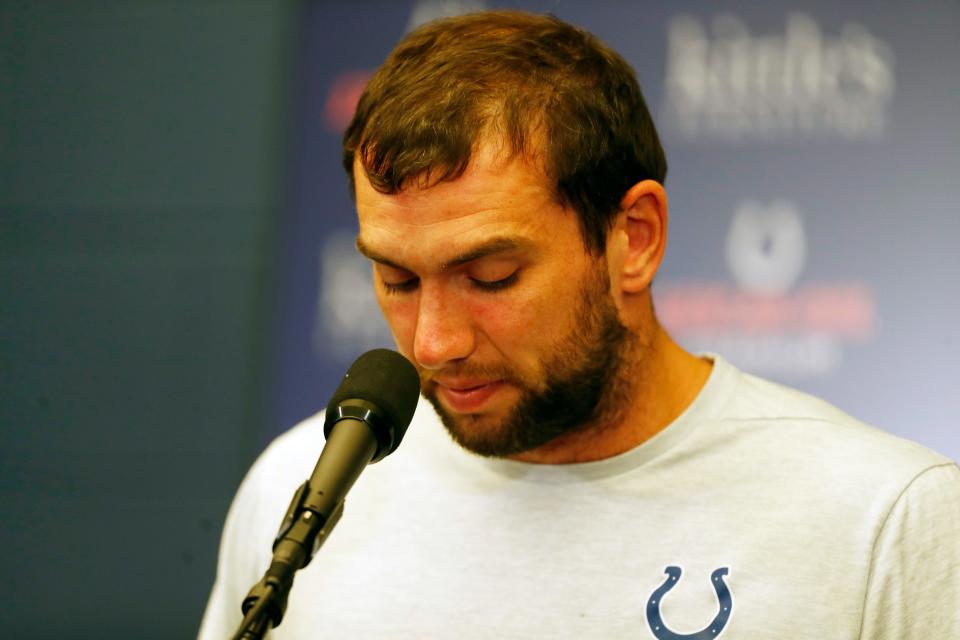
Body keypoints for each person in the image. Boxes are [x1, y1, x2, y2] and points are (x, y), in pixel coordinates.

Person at [199, 10, 960, 639]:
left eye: (491, 277)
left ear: (634, 237)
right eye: (397, 278)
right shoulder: (298, 494)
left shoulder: (886, 522)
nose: (433, 344)